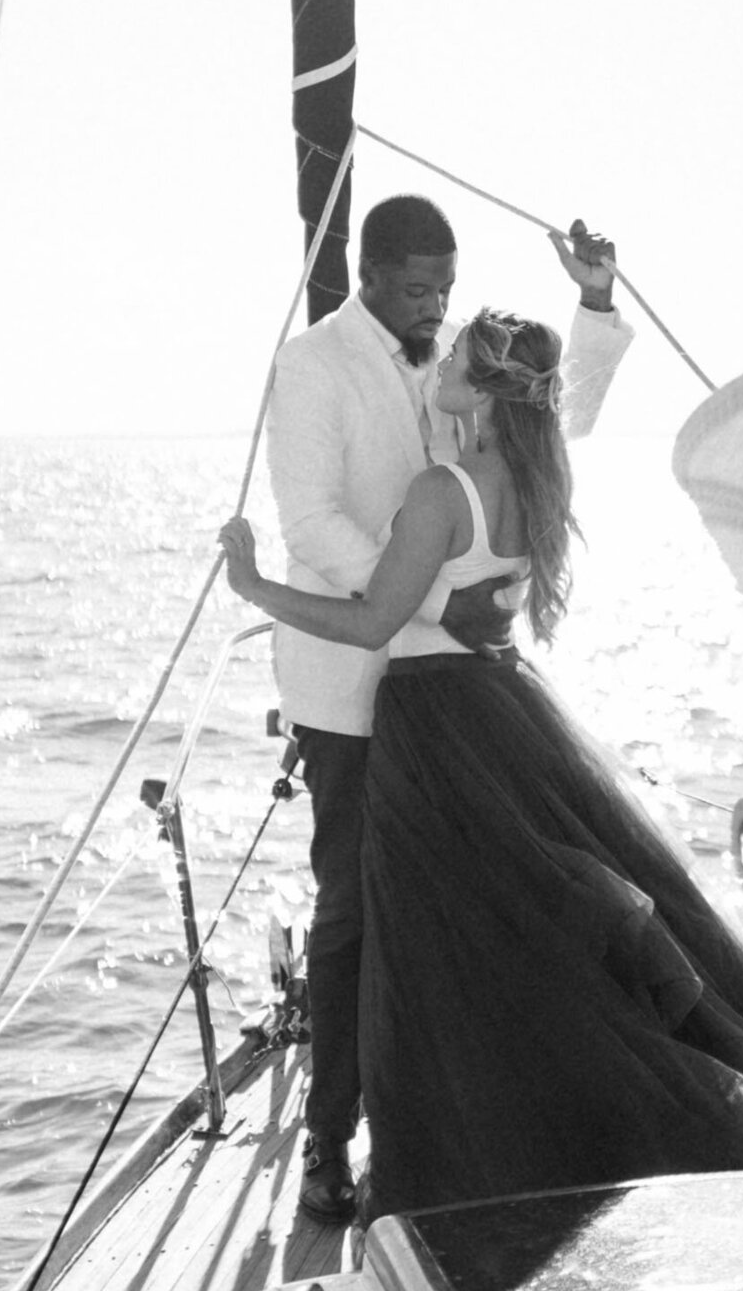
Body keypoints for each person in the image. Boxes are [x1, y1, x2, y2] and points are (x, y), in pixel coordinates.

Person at [223, 307, 743, 1224]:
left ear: (490, 388)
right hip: (507, 712)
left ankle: (436, 1146)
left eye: (455, 360)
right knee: (521, 938)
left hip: (432, 729)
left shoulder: (442, 489)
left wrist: (255, 586)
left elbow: (369, 623)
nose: (439, 369)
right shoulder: (540, 477)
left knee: (439, 950)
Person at [263, 195, 631, 1221]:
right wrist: (436, 601)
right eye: (418, 287)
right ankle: (329, 1141)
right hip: (351, 688)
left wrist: (593, 303)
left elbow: (562, 415)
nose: (435, 304)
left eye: (445, 287)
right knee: (352, 915)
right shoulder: (311, 367)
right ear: (367, 274)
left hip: (457, 699)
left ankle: (463, 1124)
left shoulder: (464, 355)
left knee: (463, 917)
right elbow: (310, 522)